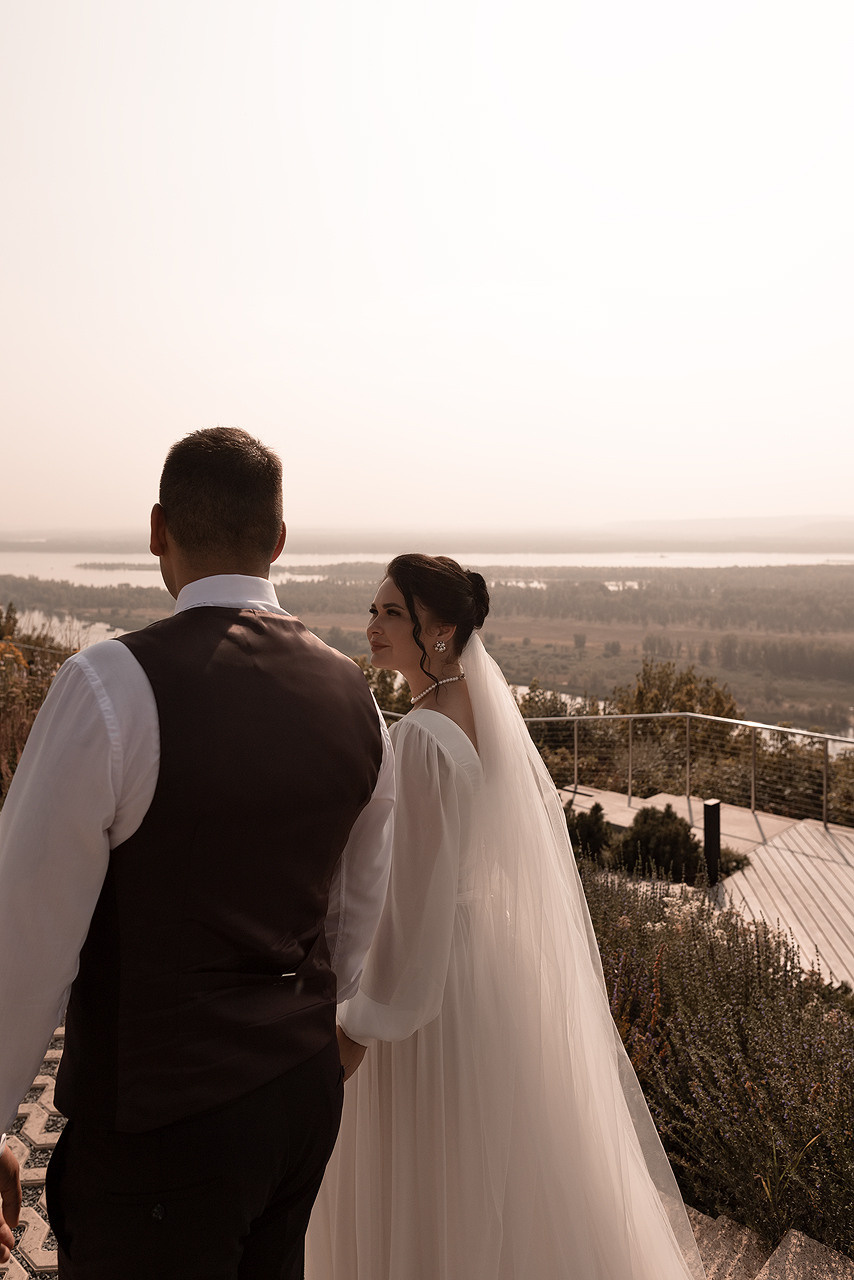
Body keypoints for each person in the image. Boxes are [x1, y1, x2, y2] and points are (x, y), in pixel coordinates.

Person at [0, 427, 395, 1278]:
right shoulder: (355, 697)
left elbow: (24, 940)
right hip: (298, 1100)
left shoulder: (108, 685)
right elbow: (354, 917)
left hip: (161, 1125)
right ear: (279, 540)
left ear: (157, 529)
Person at [307, 554, 706, 1280]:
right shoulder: (478, 716)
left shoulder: (422, 738)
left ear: (441, 632)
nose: (372, 625)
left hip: (426, 985)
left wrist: (359, 1028)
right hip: (482, 961)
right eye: (373, 610)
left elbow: (411, 901)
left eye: (392, 613)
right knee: (488, 1163)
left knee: (425, 1164)